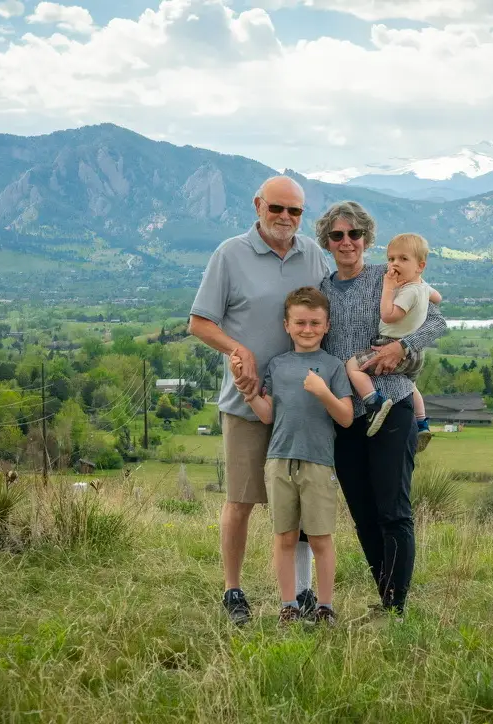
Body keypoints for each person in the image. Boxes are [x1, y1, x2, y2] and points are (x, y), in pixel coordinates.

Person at [187, 175, 330, 626]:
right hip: (248, 400)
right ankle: (233, 591)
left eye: (295, 211)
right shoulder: (229, 254)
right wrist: (238, 350)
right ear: (258, 206)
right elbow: (199, 322)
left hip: (303, 403)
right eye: (277, 209)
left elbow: (328, 316)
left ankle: (304, 593)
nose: (286, 218)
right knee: (241, 499)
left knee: (305, 502)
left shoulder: (313, 254)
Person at [317, 201, 446, 617]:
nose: (347, 242)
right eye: (337, 235)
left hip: (394, 404)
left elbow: (438, 322)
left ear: (366, 239)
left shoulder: (389, 276)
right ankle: (385, 594)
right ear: (327, 242)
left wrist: (402, 346)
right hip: (345, 414)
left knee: (393, 509)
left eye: (354, 234)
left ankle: (395, 606)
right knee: (363, 512)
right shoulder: (321, 291)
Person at [232, 287, 353, 626]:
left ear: (327, 326)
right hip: (280, 459)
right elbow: (268, 414)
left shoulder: (333, 367)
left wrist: (323, 391)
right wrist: (247, 390)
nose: (307, 329)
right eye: (300, 323)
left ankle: (325, 606)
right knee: (285, 536)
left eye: (315, 323)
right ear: (287, 325)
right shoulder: (278, 366)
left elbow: (345, 416)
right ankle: (288, 605)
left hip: (318, 461)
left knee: (319, 537)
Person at [344, 232, 442, 451]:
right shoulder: (423, 287)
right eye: (391, 259)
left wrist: (389, 288)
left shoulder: (408, 292)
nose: (395, 264)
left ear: (420, 266)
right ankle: (422, 422)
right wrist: (423, 290)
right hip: (416, 354)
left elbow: (389, 316)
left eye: (403, 259)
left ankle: (373, 402)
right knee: (411, 386)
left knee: (352, 366)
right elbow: (438, 298)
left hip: (394, 345)